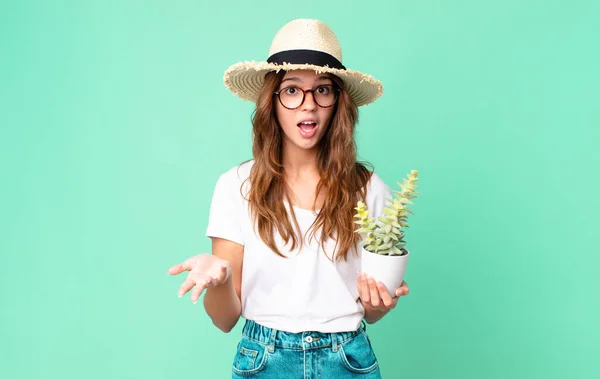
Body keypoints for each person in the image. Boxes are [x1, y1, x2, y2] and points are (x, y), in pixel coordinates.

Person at [167, 19, 410, 378]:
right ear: (272, 101)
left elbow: (370, 310)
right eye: (292, 90)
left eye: (322, 90)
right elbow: (224, 320)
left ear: (338, 102)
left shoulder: (371, 190)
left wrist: (380, 303)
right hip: (264, 360)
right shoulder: (236, 186)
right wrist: (219, 280)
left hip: (348, 359)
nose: (308, 105)